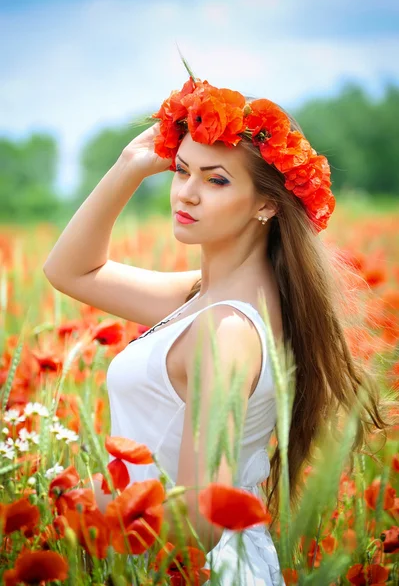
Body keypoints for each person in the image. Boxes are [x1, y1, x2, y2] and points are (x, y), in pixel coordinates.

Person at [43, 70, 391, 586]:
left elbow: (202, 520)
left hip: (189, 571)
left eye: (216, 179)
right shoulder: (209, 299)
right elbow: (70, 271)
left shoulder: (226, 329)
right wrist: (128, 167)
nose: (186, 193)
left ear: (268, 203)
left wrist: (99, 509)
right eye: (181, 171)